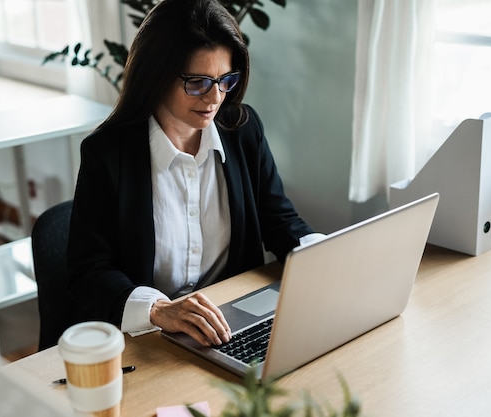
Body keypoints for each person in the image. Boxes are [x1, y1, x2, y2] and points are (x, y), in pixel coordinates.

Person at [66, 0, 319, 348]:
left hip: (227, 326)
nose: (215, 98)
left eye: (225, 80)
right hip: (149, 339)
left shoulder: (241, 130)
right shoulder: (108, 154)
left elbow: (280, 220)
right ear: (157, 75)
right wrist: (158, 309)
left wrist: (326, 255)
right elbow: (87, 272)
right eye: (198, 83)